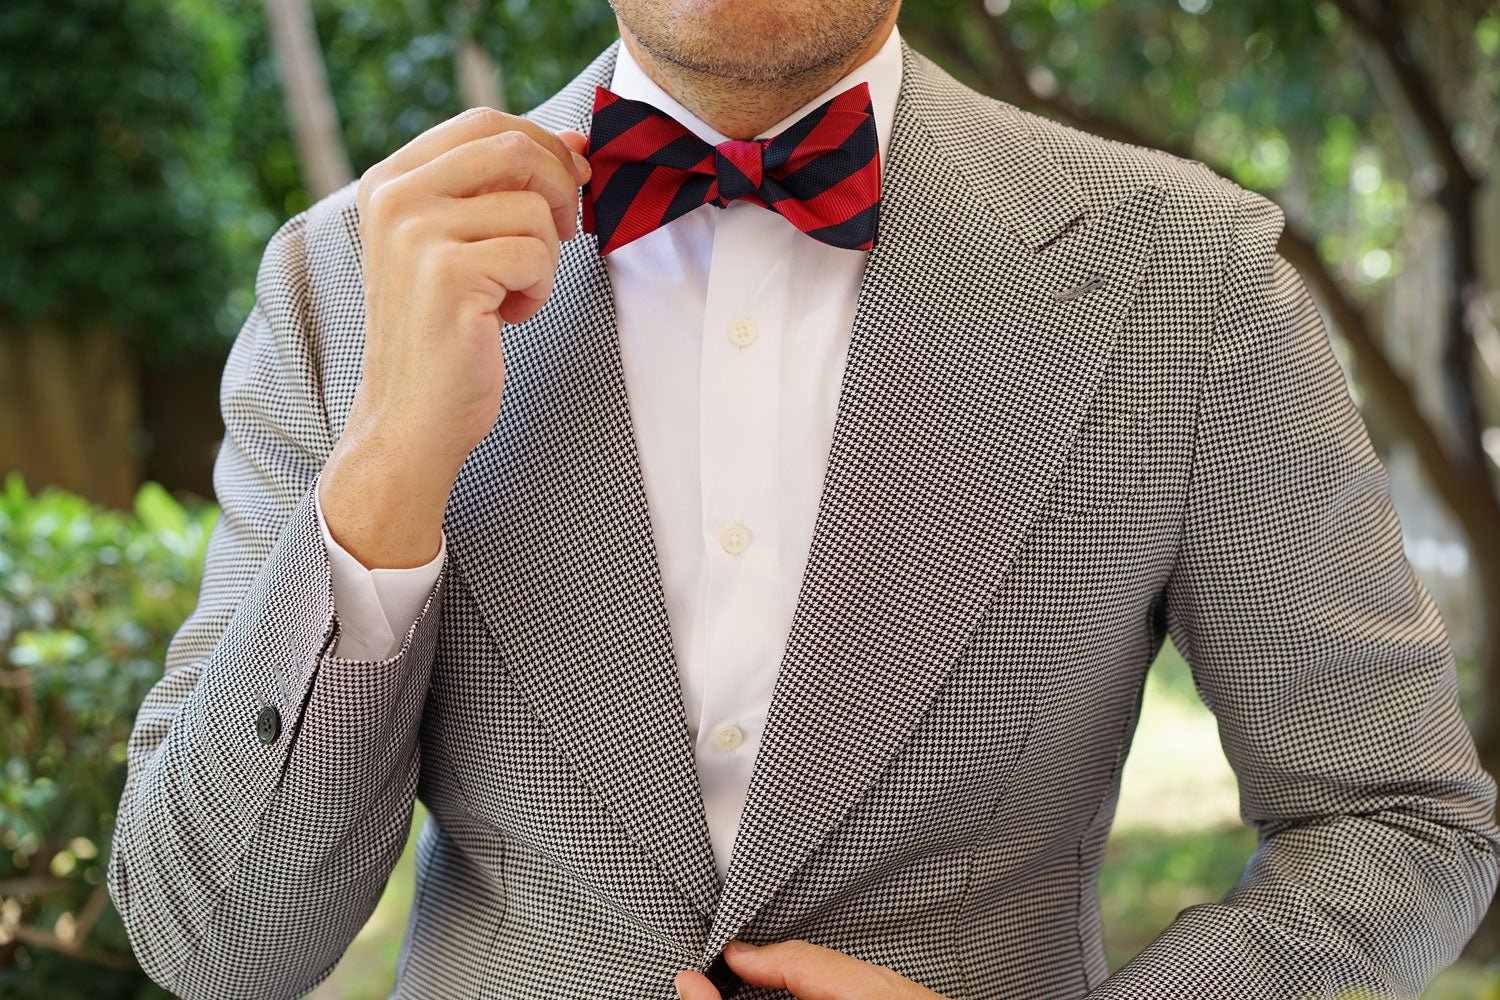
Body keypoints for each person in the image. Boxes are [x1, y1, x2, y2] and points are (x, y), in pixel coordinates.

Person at [108, 1, 1499, 997]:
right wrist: (385, 473)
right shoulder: (340, 281)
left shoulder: (1189, 277)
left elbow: (1396, 822)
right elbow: (213, 949)